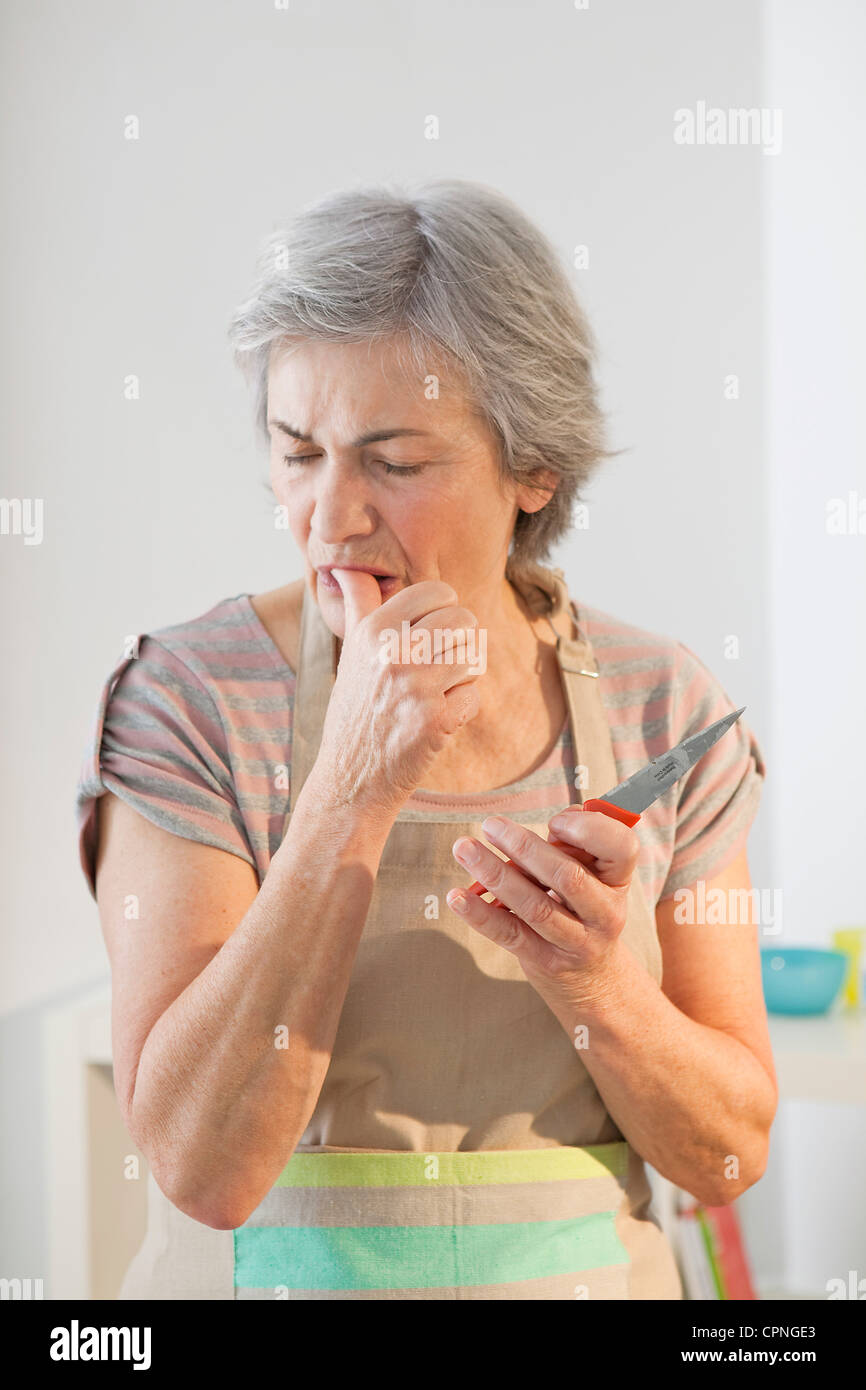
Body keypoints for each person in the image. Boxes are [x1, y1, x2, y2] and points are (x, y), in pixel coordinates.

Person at [75, 179, 775, 1300]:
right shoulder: (192, 698)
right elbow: (200, 1168)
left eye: (393, 463)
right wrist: (351, 781)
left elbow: (726, 1156)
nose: (331, 517)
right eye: (297, 451)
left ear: (532, 469)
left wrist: (599, 985)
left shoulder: (663, 706)